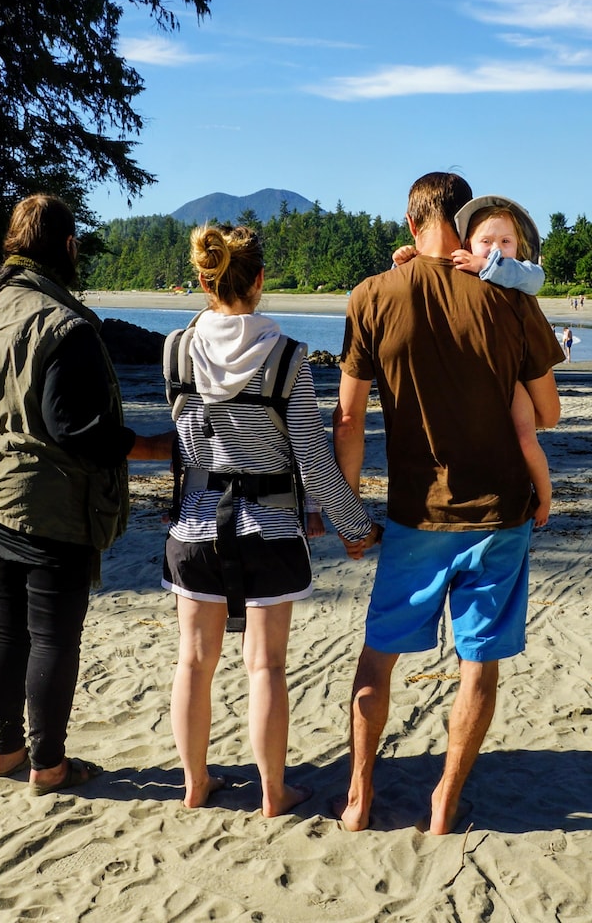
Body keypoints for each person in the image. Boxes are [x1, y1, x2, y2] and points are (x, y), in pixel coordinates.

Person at [333, 172, 563, 834]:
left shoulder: (373, 295)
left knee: (379, 653)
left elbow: (348, 424)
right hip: (499, 511)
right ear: (464, 226)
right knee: (477, 661)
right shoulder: (510, 298)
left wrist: (349, 513)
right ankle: (443, 802)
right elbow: (547, 412)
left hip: (415, 513)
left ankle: (358, 797)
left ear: (411, 224)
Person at [0, 194, 174, 797]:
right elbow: (75, 427)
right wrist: (154, 447)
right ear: (68, 248)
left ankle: (7, 752)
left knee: (4, 626)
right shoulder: (63, 324)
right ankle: (48, 766)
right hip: (46, 504)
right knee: (51, 636)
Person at [163, 223, 381, 817]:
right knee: (267, 667)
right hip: (269, 532)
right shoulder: (287, 358)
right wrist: (353, 525)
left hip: (195, 529)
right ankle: (272, 792)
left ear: (205, 280)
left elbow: (186, 445)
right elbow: (313, 459)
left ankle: (193, 782)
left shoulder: (176, 350)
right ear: (260, 281)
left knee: (192, 661)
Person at [398, 195, 552, 529]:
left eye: (506, 242)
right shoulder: (464, 268)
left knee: (526, 439)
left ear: (519, 246)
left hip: (511, 383)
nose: (497, 248)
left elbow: (534, 278)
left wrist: (487, 265)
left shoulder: (516, 278)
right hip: (478, 384)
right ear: (467, 243)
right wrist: (409, 258)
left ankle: (545, 493)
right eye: (487, 241)